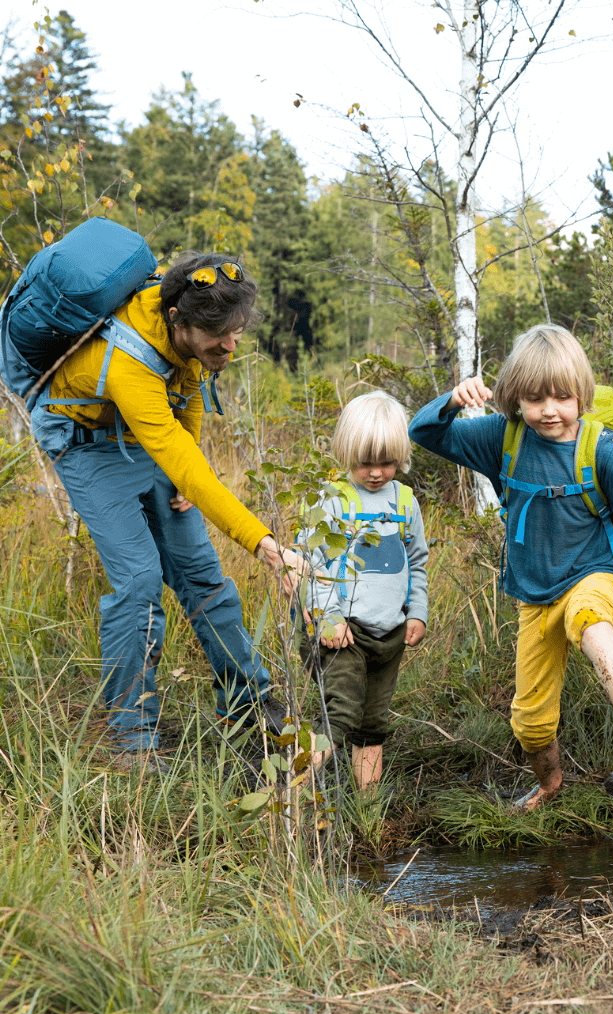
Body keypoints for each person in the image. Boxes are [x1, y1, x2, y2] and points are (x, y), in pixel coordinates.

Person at [409, 324, 613, 811]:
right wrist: (451, 401)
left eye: (561, 397)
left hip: (596, 573)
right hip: (534, 594)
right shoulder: (502, 438)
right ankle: (551, 784)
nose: (549, 410)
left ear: (582, 395)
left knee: (588, 619)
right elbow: (423, 433)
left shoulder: (600, 448)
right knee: (530, 720)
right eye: (535, 399)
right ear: (515, 397)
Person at [29, 253, 301, 764]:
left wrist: (185, 470)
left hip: (145, 434)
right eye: (218, 335)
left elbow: (193, 388)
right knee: (138, 583)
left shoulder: (196, 334)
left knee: (202, 574)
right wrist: (266, 545)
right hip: (88, 445)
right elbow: (187, 462)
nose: (229, 345)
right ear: (177, 319)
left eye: (237, 332)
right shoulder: (132, 362)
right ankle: (130, 737)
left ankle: (250, 707)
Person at [297, 391, 429, 792]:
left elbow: (417, 562)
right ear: (345, 453)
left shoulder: (405, 502)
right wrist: (329, 617)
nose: (376, 472)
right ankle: (288, 792)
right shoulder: (332, 500)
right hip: (344, 633)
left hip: (389, 633)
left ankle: (366, 807)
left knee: (373, 725)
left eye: (387, 462)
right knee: (341, 716)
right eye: (365, 462)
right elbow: (310, 563)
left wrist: (417, 611)